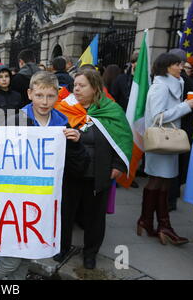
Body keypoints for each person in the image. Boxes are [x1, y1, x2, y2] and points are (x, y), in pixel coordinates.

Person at [0, 71, 90, 280]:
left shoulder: (63, 124)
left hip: (43, 205)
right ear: (30, 94)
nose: (45, 102)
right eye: (39, 95)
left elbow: (79, 168)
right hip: (15, 201)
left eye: (50, 96)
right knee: (11, 258)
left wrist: (76, 145)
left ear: (57, 96)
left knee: (26, 255)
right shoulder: (13, 121)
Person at [55, 69, 132, 269]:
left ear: (95, 88)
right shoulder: (65, 108)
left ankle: (90, 253)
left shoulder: (111, 110)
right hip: (70, 172)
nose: (76, 89)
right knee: (65, 213)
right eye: (75, 85)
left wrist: (117, 165)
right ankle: (62, 248)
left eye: (82, 85)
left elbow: (122, 139)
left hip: (98, 172)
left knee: (94, 217)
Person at [139, 53, 193, 245]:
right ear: (166, 67)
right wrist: (185, 106)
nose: (181, 67)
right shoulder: (160, 87)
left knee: (163, 183)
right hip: (160, 141)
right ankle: (162, 225)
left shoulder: (174, 83)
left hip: (168, 141)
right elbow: (157, 117)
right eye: (177, 64)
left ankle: (149, 222)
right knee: (157, 181)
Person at [167, 49, 193, 211]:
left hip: (176, 130)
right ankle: (171, 197)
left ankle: (169, 198)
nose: (182, 68)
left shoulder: (182, 81)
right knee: (177, 165)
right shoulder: (172, 82)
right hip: (181, 129)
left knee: (173, 166)